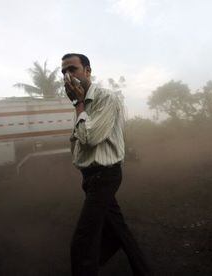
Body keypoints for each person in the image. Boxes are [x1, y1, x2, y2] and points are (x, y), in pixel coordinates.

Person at [62, 53, 150, 276]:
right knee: (120, 233)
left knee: (82, 244)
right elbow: (78, 138)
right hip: (90, 177)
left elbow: (90, 138)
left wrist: (79, 105)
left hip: (105, 176)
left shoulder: (105, 98)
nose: (67, 75)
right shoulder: (80, 103)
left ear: (88, 71)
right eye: (63, 71)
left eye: (72, 69)